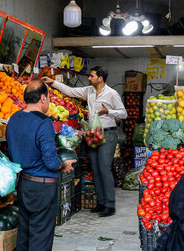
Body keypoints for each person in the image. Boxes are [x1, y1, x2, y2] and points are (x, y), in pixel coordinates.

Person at [5, 80, 76, 251]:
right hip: (42, 186)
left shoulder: (14, 119)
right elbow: (50, 159)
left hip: (23, 184)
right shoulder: (43, 123)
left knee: (25, 236)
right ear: (43, 98)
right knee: (40, 240)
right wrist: (63, 166)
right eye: (49, 98)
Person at [42, 66, 127, 217]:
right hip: (93, 134)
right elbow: (70, 91)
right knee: (95, 168)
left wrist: (109, 111)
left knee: (104, 168)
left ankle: (109, 205)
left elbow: (123, 113)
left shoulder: (111, 94)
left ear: (100, 78)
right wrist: (53, 82)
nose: (89, 78)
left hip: (108, 134)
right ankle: (101, 202)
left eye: (92, 76)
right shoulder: (89, 91)